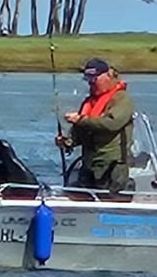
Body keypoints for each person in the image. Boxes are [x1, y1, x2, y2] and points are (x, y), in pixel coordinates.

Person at [55, 57, 136, 193]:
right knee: (83, 200)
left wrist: (80, 119)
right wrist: (67, 142)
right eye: (88, 80)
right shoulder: (89, 102)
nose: (91, 84)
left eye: (94, 79)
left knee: (111, 202)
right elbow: (80, 132)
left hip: (112, 167)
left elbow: (112, 123)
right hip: (88, 166)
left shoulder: (122, 100)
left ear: (107, 76)